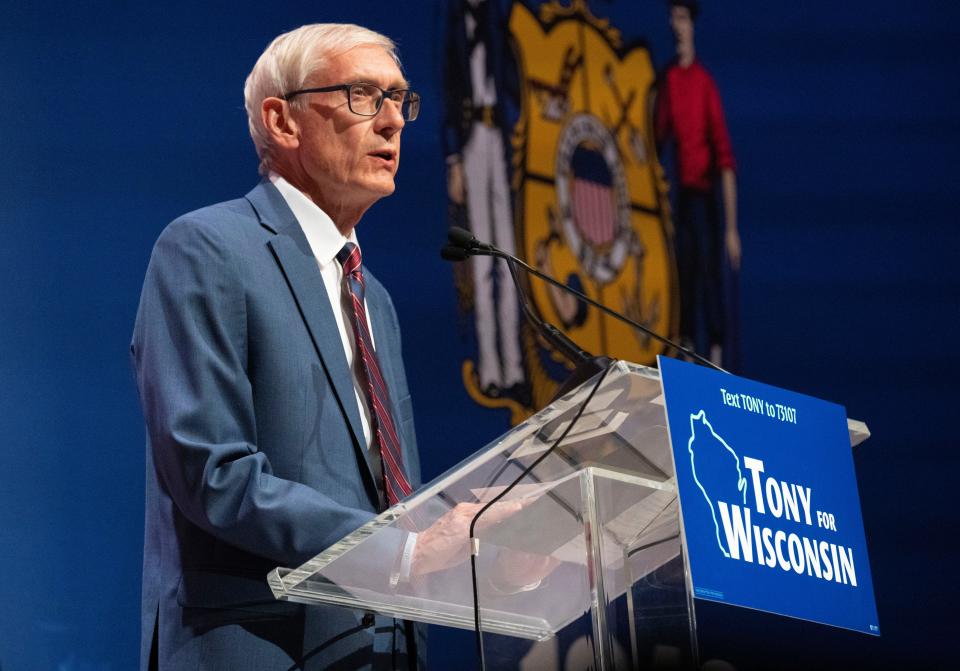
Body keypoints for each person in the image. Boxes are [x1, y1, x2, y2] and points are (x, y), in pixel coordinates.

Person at [131, 23, 431, 670]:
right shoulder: (206, 249)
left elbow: (390, 492)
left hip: (382, 649)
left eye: (400, 100)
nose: (391, 122)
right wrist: (391, 550)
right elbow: (212, 471)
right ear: (282, 121)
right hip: (261, 646)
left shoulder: (372, 294)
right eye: (361, 95)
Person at [655, 0, 741, 368]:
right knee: (685, 283)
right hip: (682, 203)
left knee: (710, 283)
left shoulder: (704, 84)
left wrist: (732, 230)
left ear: (692, 24)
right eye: (672, 18)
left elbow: (725, 161)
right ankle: (689, 366)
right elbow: (655, 140)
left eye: (682, 18)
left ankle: (718, 365)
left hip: (705, 201)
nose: (677, 26)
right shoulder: (669, 79)